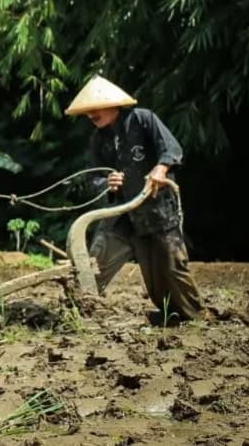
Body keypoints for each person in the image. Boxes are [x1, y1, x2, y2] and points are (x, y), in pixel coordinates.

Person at [65, 75, 205, 323]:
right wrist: (107, 183)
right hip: (121, 212)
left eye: (95, 109)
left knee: (170, 267)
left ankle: (192, 317)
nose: (91, 115)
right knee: (97, 261)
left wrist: (161, 169)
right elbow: (94, 177)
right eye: (87, 111)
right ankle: (77, 312)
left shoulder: (142, 119)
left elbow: (172, 149)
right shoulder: (99, 140)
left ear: (112, 104)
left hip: (156, 207)